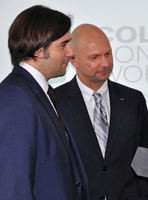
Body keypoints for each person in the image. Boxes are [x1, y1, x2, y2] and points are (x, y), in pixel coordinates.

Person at [55, 23, 148, 200]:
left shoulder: (133, 99)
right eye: (94, 57)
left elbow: (146, 159)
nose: (105, 63)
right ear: (74, 60)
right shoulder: (56, 101)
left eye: (108, 54)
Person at [0, 5, 88, 200]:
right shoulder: (15, 96)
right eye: (63, 45)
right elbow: (13, 185)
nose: (71, 52)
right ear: (39, 50)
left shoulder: (40, 92)